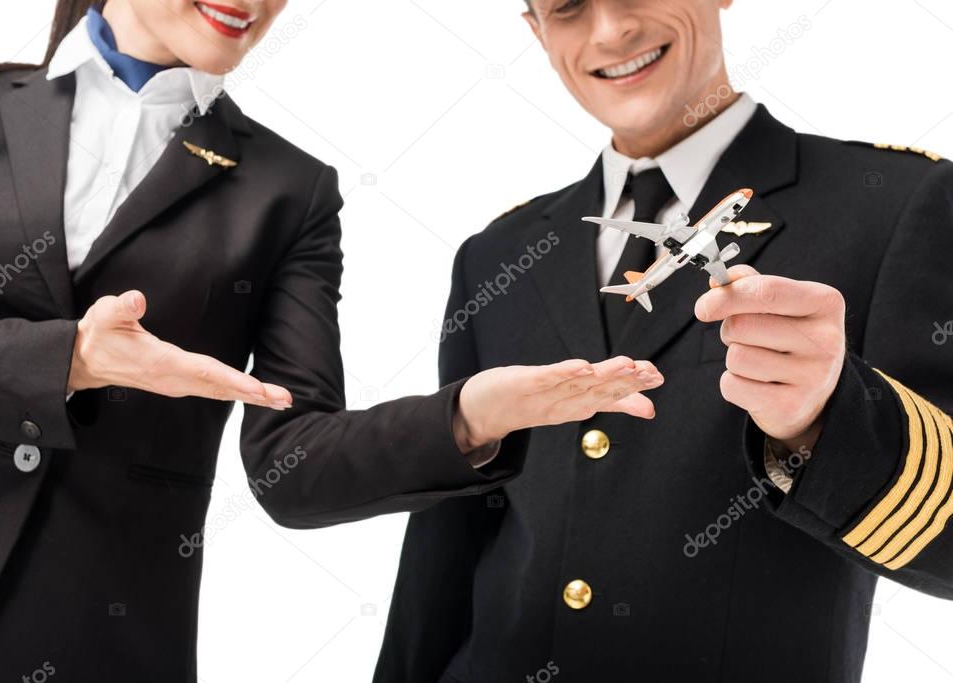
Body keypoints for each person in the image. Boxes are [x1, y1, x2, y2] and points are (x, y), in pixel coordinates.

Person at [0, 1, 665, 680]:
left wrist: (468, 416)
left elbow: (294, 465)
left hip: (96, 643)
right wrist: (72, 361)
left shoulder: (288, 190)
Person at [376, 1, 953, 681]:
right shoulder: (496, 253)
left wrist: (823, 422)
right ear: (534, 30)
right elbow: (442, 550)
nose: (610, 30)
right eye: (565, 6)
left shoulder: (894, 203)